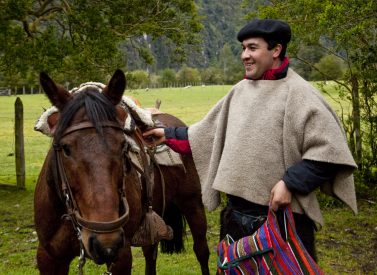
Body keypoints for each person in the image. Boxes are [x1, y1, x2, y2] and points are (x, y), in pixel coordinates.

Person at [143, 18, 357, 260]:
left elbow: (330, 156)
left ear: (276, 50)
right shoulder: (240, 91)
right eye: (243, 48)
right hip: (235, 220)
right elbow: (206, 136)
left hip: (286, 222)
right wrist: (167, 135)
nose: (245, 55)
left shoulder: (302, 96)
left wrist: (290, 183)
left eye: (252, 48)